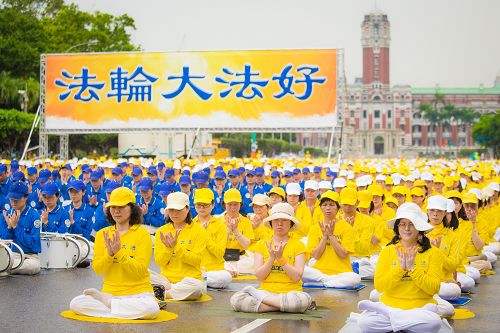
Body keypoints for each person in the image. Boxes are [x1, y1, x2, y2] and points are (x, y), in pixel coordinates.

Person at [69, 187, 159, 319]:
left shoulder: (143, 234)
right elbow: (99, 269)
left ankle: (111, 305)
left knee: (151, 309)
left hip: (138, 293)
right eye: (113, 207)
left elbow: (139, 271)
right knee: (76, 304)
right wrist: (110, 255)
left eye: (121, 207)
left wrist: (119, 253)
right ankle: (121, 309)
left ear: (132, 209)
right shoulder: (102, 235)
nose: (116, 211)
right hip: (110, 292)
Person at [357, 202, 443, 333]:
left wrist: (412, 269)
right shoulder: (388, 251)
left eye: (411, 224)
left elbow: (433, 289)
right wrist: (400, 269)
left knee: (434, 323)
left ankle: (393, 319)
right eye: (403, 224)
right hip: (391, 305)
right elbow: (380, 286)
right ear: (397, 227)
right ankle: (407, 323)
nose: (407, 229)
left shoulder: (433, 253)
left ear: (419, 227)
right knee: (365, 322)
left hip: (419, 306)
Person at [230, 203, 313, 313]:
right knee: (236, 299)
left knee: (303, 300)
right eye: (276, 220)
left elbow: (296, 277)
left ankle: (267, 305)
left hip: (290, 292)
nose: (279, 224)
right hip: (266, 291)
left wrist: (280, 259)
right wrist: (271, 259)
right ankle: (281, 306)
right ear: (271, 223)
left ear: (291, 223)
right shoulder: (262, 244)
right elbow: (259, 276)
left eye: (284, 220)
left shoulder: (299, 245)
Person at [152, 192, 208, 301]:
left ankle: (162, 293)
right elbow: (159, 262)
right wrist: (168, 249)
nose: (174, 214)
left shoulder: (199, 230)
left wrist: (176, 247)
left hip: (190, 280)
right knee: (141, 274)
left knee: (197, 287)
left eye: (178, 210)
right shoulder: (162, 231)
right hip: (166, 280)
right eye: (171, 210)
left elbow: (196, 261)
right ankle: (170, 290)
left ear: (187, 209)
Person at [303, 190, 361, 288]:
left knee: (355, 279)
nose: (328, 208)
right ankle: (329, 282)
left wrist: (331, 236)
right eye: (325, 205)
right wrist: (325, 237)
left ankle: (323, 283)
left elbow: (343, 254)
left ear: (338, 208)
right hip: (319, 271)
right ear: (321, 208)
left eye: (331, 205)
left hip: (341, 272)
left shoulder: (346, 227)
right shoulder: (314, 228)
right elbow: (315, 255)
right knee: (302, 270)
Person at [426, 195, 460, 317]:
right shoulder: (419, 232)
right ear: (427, 211)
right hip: (422, 280)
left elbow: (452, 265)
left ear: (445, 213)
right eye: (432, 210)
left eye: (439, 211)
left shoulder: (451, 236)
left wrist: (437, 252)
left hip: (442, 282)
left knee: (454, 291)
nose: (435, 214)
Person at [192, 188, 232, 289]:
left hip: (214, 271)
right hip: (196, 268)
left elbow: (219, 253)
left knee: (226, 278)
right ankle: (197, 280)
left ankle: (197, 281)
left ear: (213, 205)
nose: (202, 208)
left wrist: (205, 236)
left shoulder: (220, 225)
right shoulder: (190, 224)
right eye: (198, 205)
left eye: (205, 205)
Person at [0, 181, 41, 275]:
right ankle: (6, 267)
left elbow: (33, 244)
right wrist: (9, 228)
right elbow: (3, 243)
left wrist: (16, 227)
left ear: (26, 197)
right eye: (11, 198)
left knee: (33, 266)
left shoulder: (34, 216)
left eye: (17, 199)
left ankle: (6, 268)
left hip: (28, 257)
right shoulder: (5, 215)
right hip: (8, 255)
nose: (13, 202)